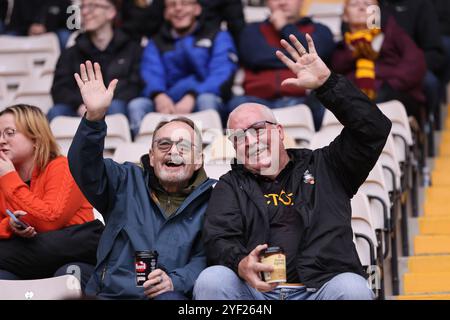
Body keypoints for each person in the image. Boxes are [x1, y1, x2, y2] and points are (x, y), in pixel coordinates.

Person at [193, 33, 391, 300]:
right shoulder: (231, 184)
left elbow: (374, 128)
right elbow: (218, 239)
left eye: (258, 129)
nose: (250, 141)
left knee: (353, 288)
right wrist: (241, 262)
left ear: (280, 132)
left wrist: (327, 84)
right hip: (258, 295)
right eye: (238, 137)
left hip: (320, 291)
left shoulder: (327, 166)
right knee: (212, 280)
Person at [68, 60, 216, 299]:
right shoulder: (124, 180)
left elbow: (208, 257)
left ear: (198, 159)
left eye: (184, 146)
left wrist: (175, 281)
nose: (173, 151)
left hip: (166, 295)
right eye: (164, 144)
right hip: (113, 294)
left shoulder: (213, 198)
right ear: (152, 154)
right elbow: (84, 167)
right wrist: (94, 118)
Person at [0, 104, 102, 291]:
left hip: (72, 255)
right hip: (27, 259)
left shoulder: (62, 167)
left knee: (66, 275)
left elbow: (50, 219)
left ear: (36, 138)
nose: (1, 141)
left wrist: (9, 179)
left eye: (9, 133)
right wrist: (9, 225)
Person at [128, 0, 238, 136]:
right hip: (166, 100)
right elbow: (150, 72)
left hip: (203, 97)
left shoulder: (217, 35)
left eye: (185, 3)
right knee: (137, 105)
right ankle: (146, 153)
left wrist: (192, 96)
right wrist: (158, 95)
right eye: (172, 5)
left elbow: (222, 73)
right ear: (166, 13)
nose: (178, 9)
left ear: (197, 9)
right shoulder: (156, 42)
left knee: (207, 100)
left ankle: (210, 151)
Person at [228, 0, 335, 130]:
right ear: (267, 3)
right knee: (236, 106)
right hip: (255, 100)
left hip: (301, 99)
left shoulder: (320, 30)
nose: (282, 2)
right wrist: (299, 58)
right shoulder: (252, 30)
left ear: (302, 2)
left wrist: (284, 27)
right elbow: (254, 57)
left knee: (322, 104)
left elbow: (318, 56)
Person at [48, 0, 144, 124]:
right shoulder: (70, 53)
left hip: (116, 107)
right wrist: (82, 104)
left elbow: (136, 85)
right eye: (83, 7)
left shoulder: (132, 49)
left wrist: (103, 104)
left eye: (93, 6)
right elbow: (59, 89)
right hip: (81, 109)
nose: (85, 12)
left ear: (111, 12)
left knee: (116, 106)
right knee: (56, 112)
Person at [332, 0, 426, 124]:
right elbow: (336, 69)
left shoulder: (392, 33)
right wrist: (354, 52)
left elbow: (415, 62)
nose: (361, 7)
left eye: (367, 4)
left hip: (393, 93)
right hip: (353, 99)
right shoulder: (343, 47)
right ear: (345, 16)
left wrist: (389, 85)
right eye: (354, 4)